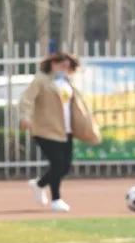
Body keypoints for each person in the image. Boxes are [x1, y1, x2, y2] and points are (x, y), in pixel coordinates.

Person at [18, 52, 100, 213]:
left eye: (68, 66)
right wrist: (25, 117)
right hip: (45, 129)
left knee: (65, 166)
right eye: (61, 65)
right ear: (52, 64)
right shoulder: (41, 80)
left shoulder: (68, 82)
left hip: (66, 130)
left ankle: (40, 184)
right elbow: (27, 99)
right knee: (57, 163)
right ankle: (56, 199)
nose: (64, 68)